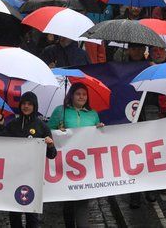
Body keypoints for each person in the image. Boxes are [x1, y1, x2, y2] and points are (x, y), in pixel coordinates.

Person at [0, 92, 56, 228]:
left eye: (29, 104)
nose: (26, 106)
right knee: (14, 213)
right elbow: (1, 142)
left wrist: (51, 145)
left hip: (32, 177)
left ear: (34, 106)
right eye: (23, 103)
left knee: (32, 215)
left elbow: (52, 155)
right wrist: (0, 125)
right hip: (14, 175)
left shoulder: (42, 126)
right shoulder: (13, 124)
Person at [49, 83, 103, 227]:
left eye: (84, 94)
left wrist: (100, 129)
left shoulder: (93, 113)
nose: (81, 97)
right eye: (78, 94)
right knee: (68, 201)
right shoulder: (60, 111)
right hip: (65, 164)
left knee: (81, 200)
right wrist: (58, 131)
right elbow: (48, 132)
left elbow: (98, 137)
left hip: (86, 165)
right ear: (71, 95)